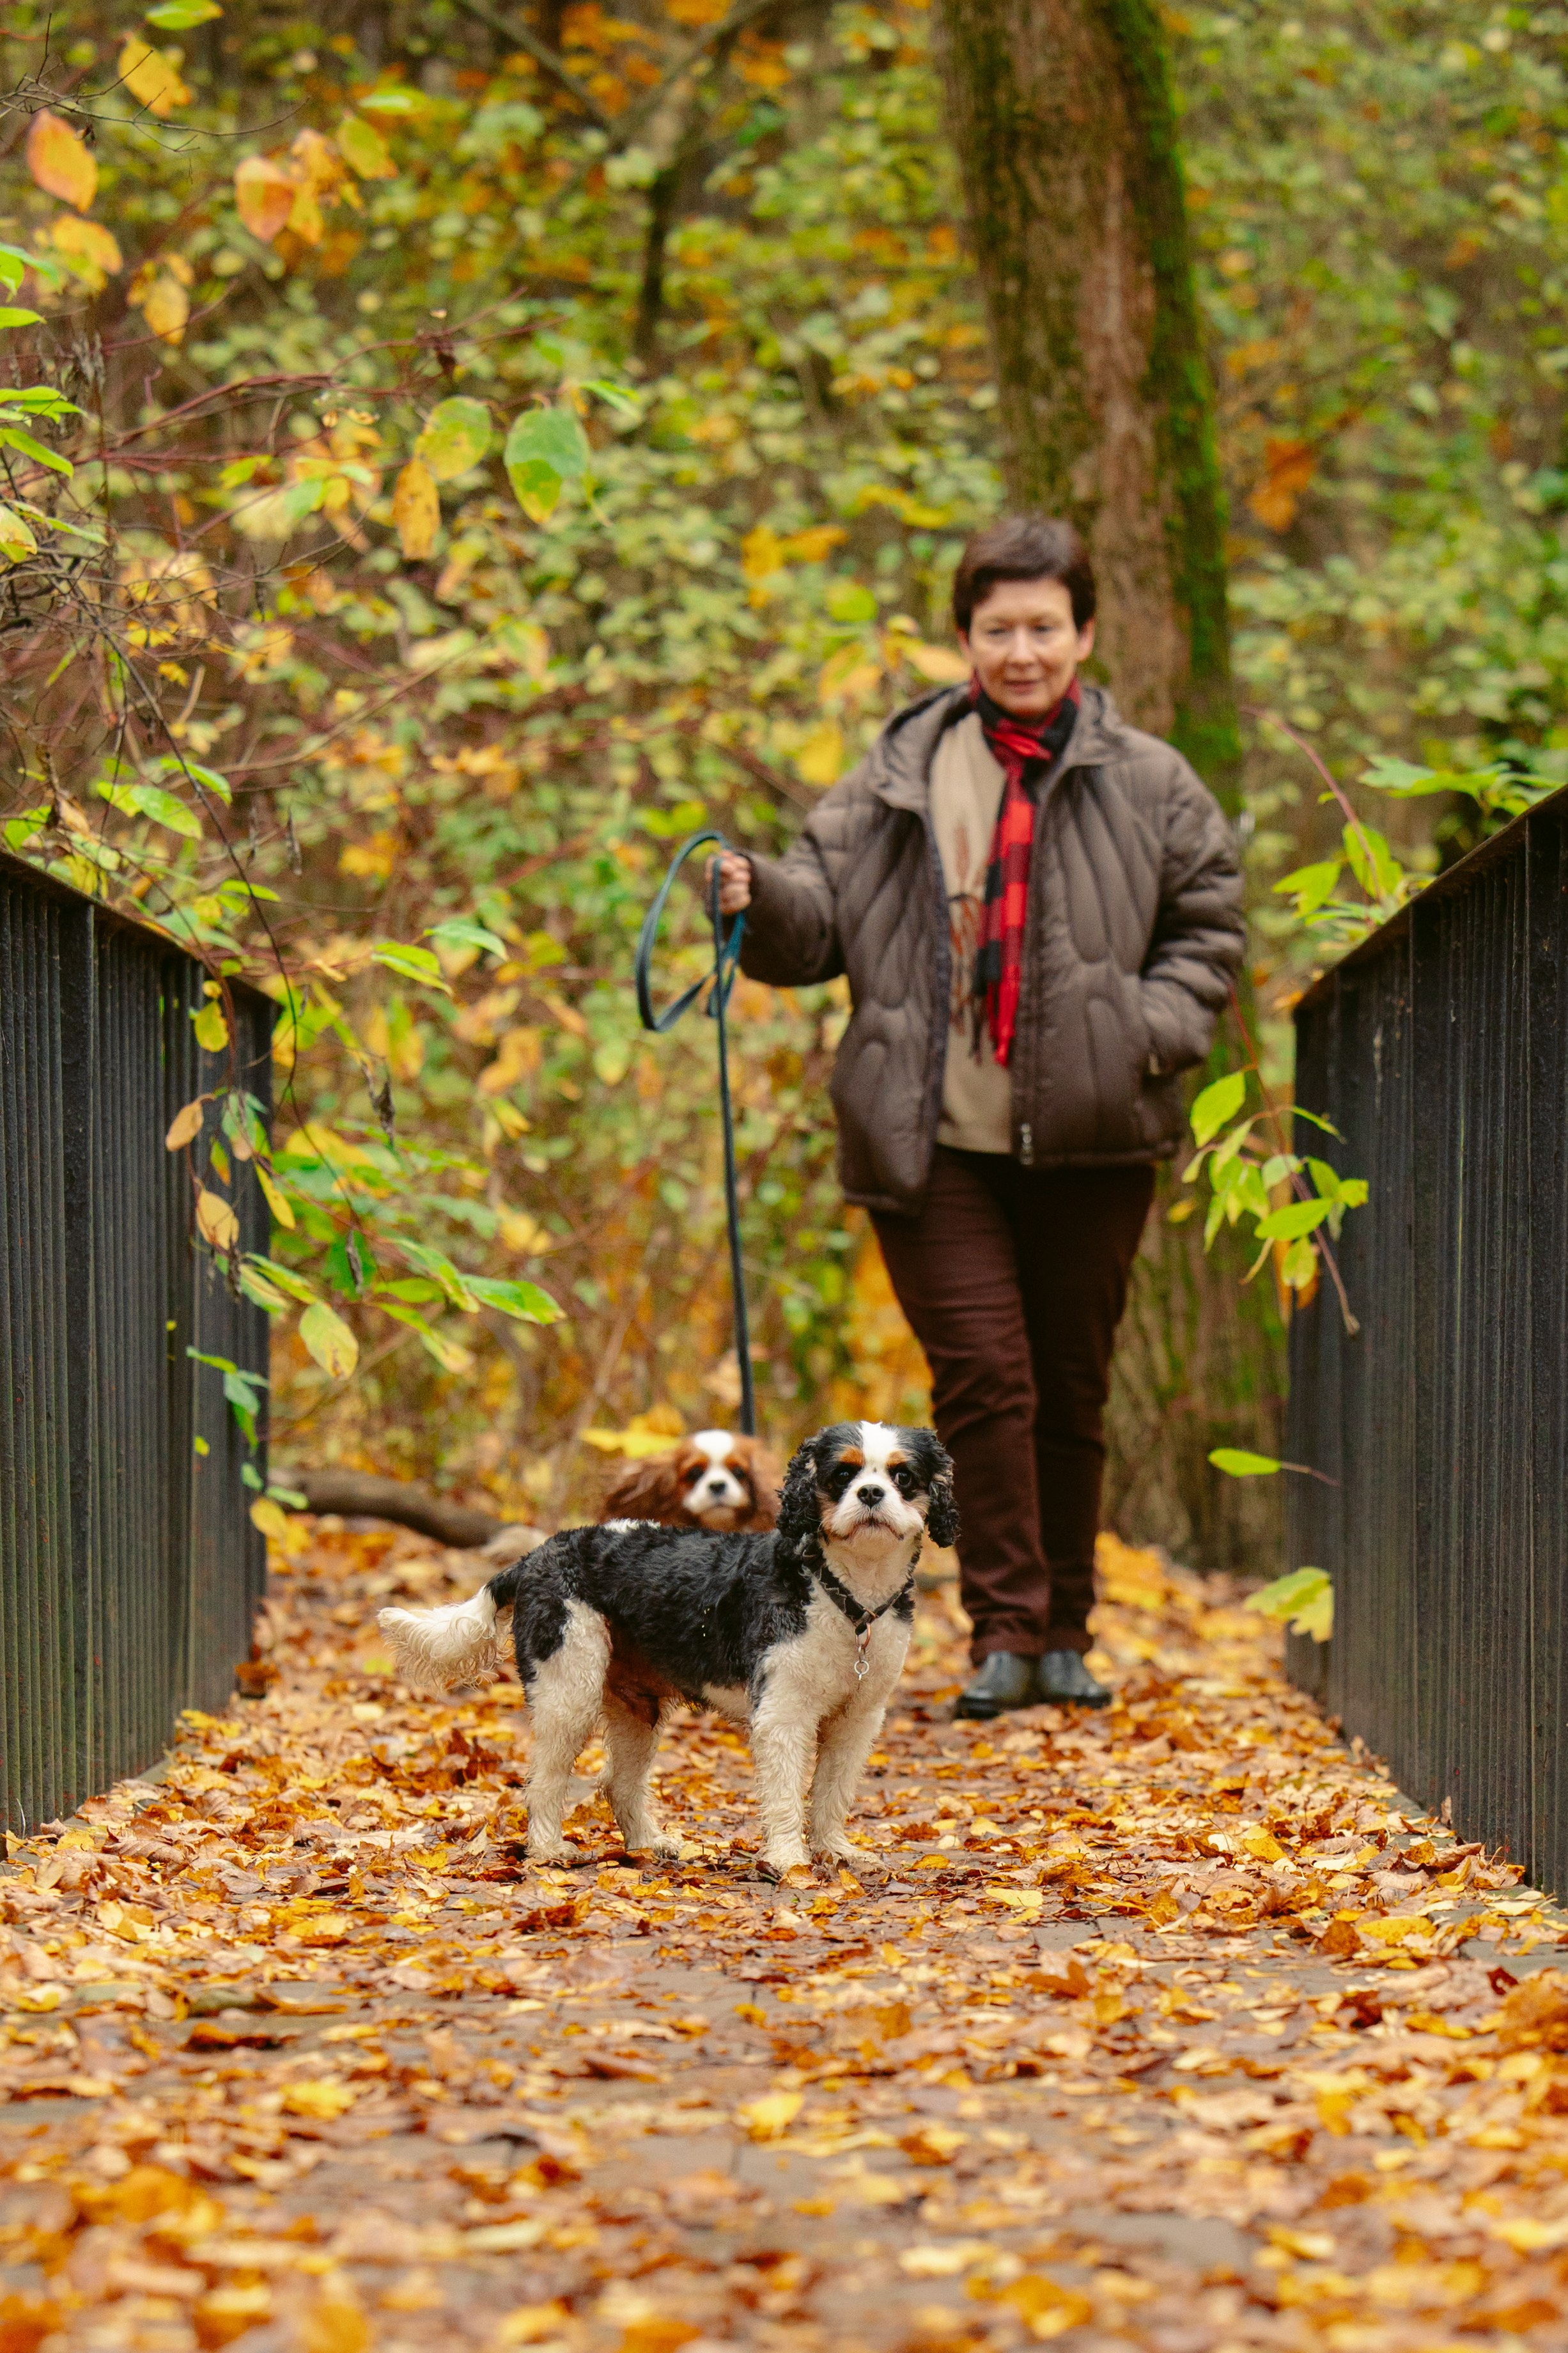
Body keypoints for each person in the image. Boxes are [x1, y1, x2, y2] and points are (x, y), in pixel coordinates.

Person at [713, 515, 1244, 1718]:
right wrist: (756, 893)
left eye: (1043, 627)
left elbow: (1209, 925)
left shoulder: (1151, 780)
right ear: (963, 637)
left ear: (1083, 634)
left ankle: (1065, 1635)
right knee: (986, 1381)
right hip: (929, 1136)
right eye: (996, 628)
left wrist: (1140, 1038)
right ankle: (1006, 1637)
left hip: (1094, 1137)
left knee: (1071, 1384)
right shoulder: (898, 775)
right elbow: (815, 921)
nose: (1021, 650)